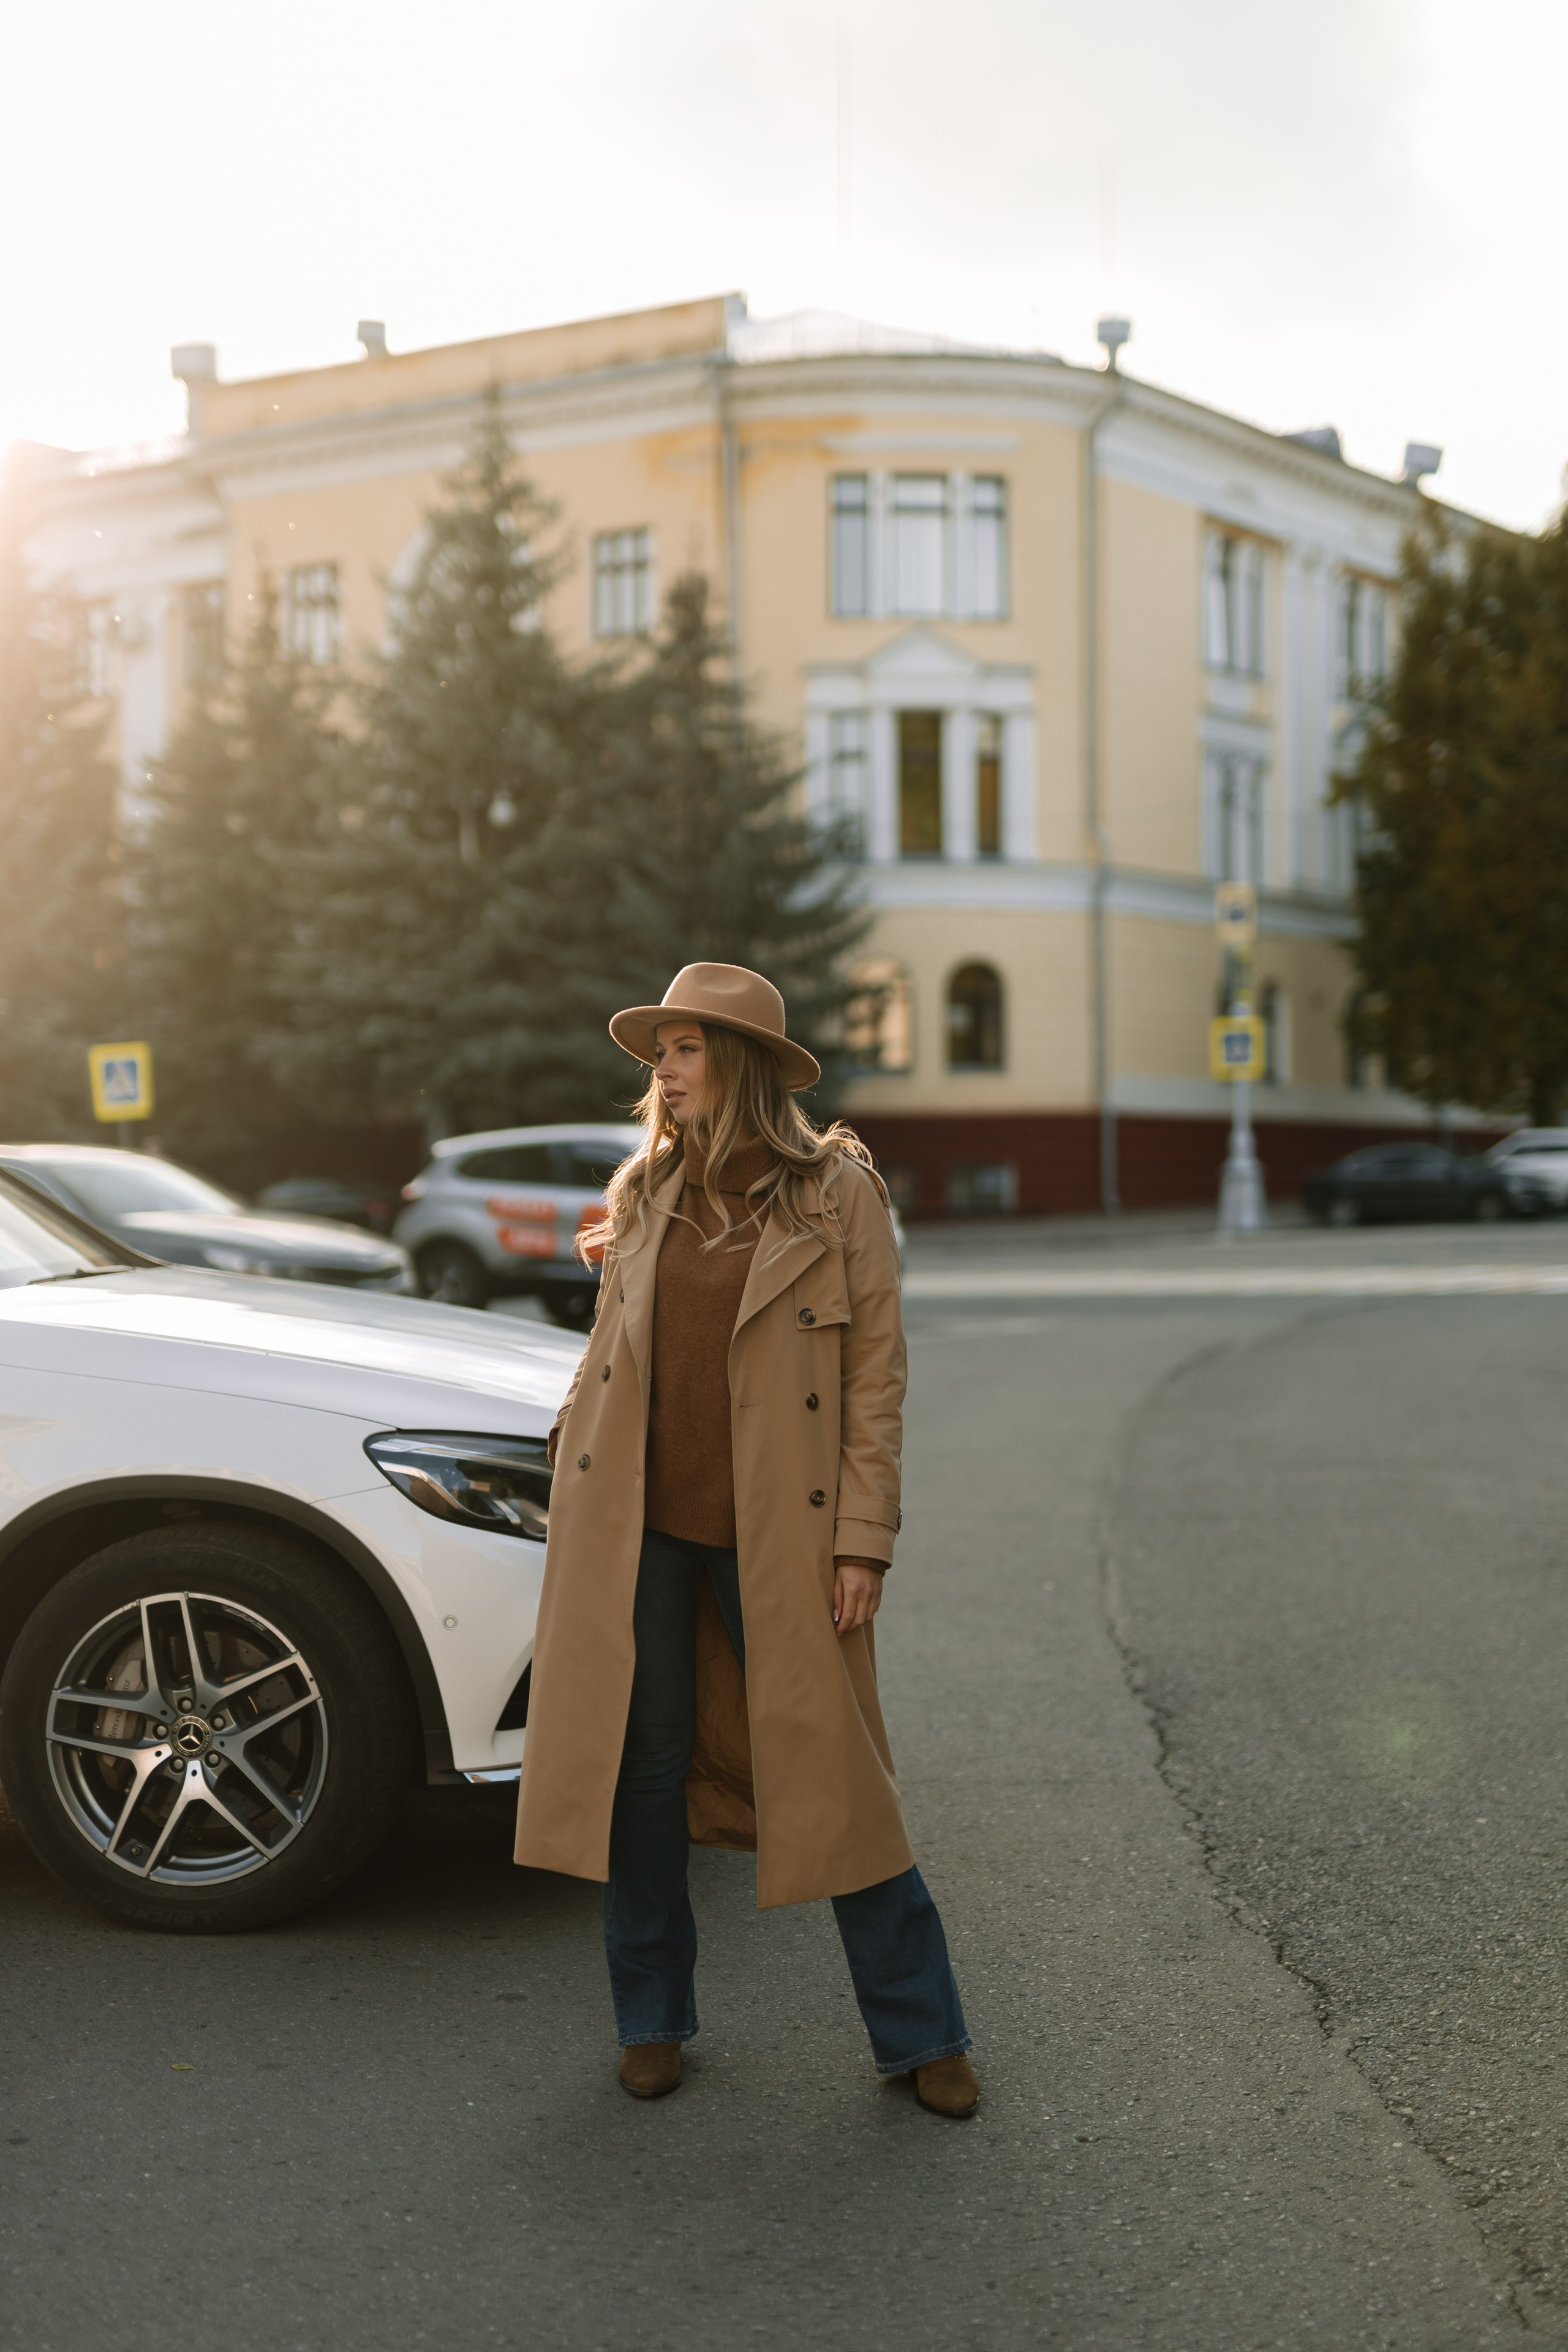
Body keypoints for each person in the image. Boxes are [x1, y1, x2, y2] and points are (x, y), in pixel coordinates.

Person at [514, 962, 977, 2118]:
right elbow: (609, 1354)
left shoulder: (837, 1197)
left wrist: (863, 1540)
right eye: (657, 1053)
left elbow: (877, 1379)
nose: (661, 1072)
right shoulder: (647, 1192)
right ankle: (650, 2020)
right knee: (643, 1775)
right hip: (639, 1530)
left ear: (745, 1065)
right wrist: (568, 1459)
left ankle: (924, 2035)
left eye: (684, 1049)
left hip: (783, 1537)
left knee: (835, 1773)